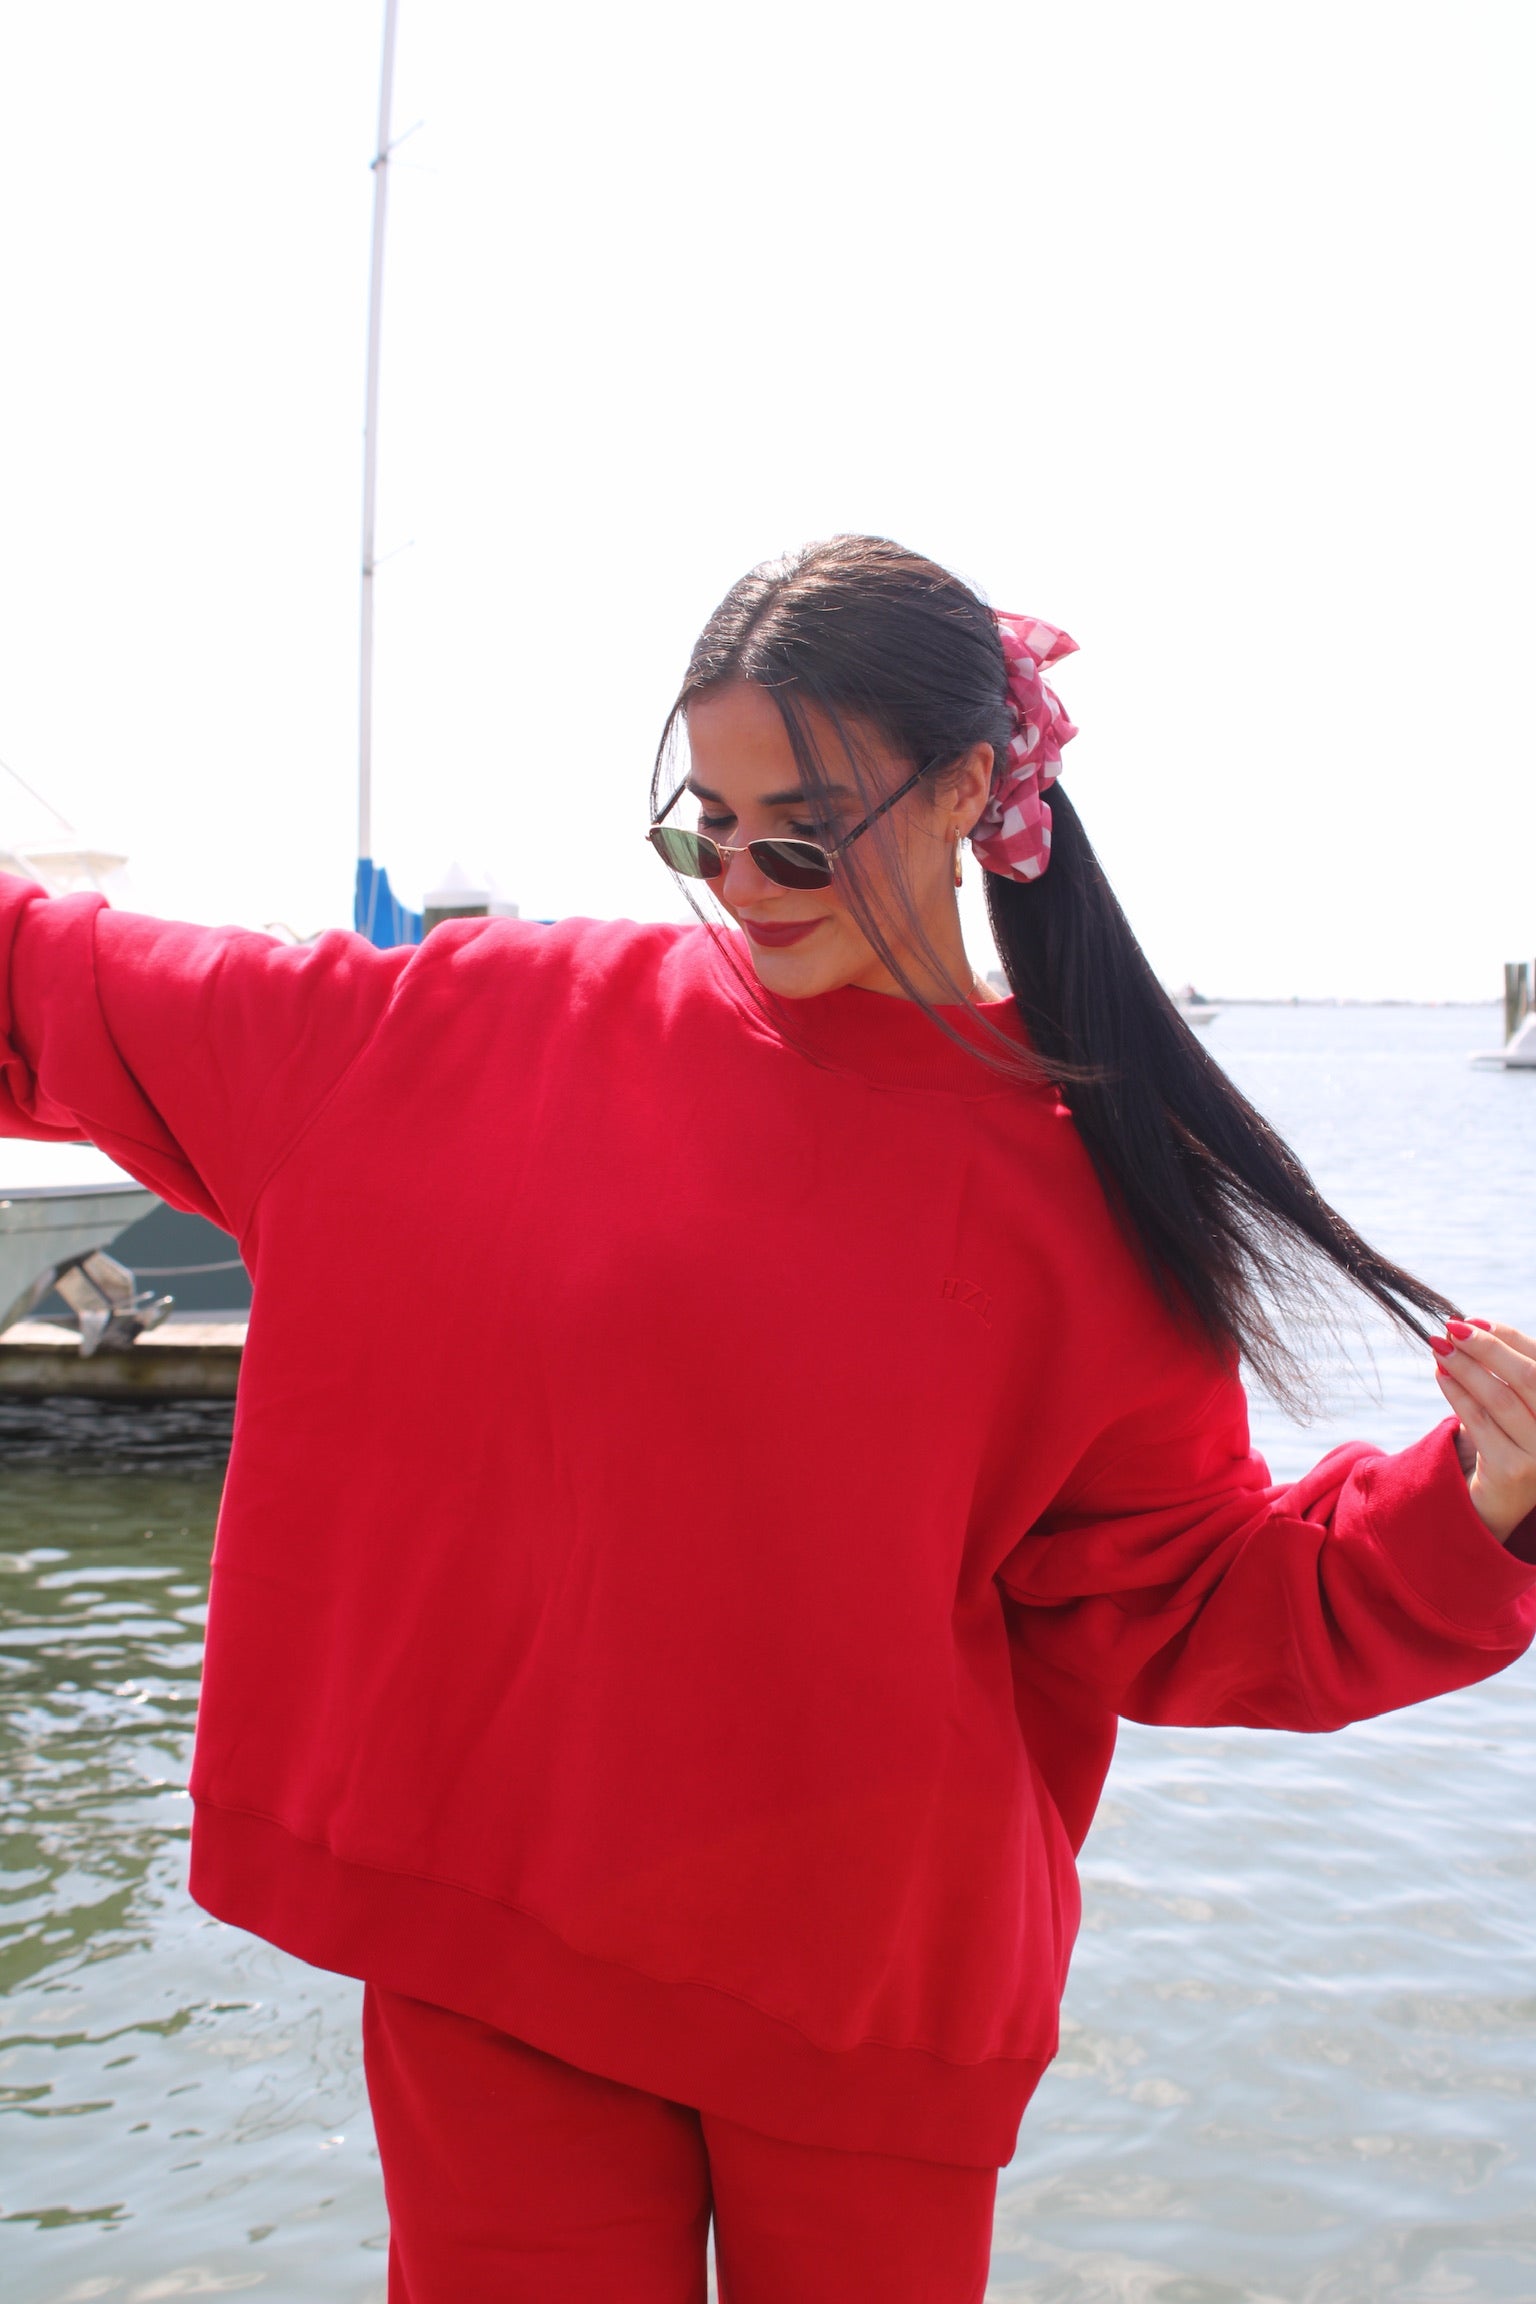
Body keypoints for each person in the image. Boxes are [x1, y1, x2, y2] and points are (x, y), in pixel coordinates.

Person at [2, 532, 1534, 2304]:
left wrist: (1474, 1508)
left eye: (800, 834)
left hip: (866, 2000)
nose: (743, 881)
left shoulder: (1098, 1180)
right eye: (706, 830)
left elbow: (1190, 1600)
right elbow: (64, 983)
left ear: (965, 789)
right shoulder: (476, 1029)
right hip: (501, 1948)